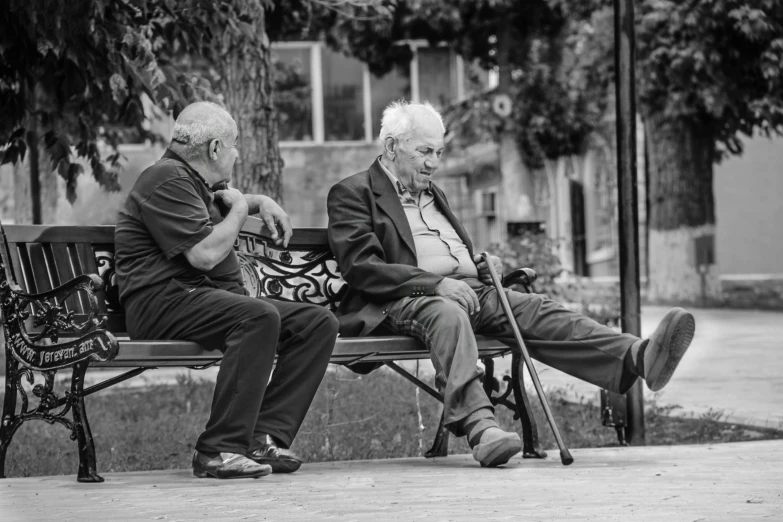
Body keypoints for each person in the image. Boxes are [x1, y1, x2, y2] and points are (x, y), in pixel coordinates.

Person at [327, 100, 695, 469]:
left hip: (467, 290)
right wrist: (436, 283)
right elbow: (362, 267)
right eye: (424, 151)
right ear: (392, 147)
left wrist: (477, 265)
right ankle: (482, 429)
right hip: (403, 298)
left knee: (536, 308)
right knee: (447, 314)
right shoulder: (354, 192)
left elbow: (439, 248)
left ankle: (637, 357)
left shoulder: (432, 192)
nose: (434, 162)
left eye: (438, 152)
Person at [115, 101, 338, 479]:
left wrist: (256, 201)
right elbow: (204, 255)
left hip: (192, 299)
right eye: (234, 145)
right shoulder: (165, 179)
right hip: (161, 303)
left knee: (316, 324)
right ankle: (219, 449)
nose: (236, 155)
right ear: (215, 148)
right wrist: (240, 210)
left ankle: (263, 435)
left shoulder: (190, 182)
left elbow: (218, 220)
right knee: (257, 316)